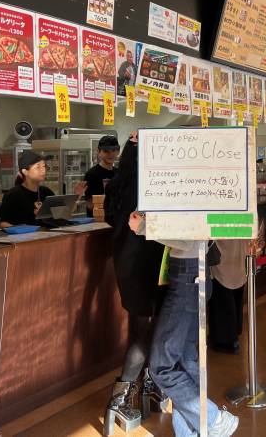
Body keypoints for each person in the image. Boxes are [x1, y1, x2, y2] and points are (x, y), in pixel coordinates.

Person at [128, 211, 239, 437]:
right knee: (185, 361)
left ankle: (213, 419)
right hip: (192, 273)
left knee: (162, 366)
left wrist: (145, 227)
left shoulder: (190, 189)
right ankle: (192, 432)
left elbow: (187, 237)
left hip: (189, 276)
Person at [101, 133, 166, 433]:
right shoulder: (153, 187)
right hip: (150, 265)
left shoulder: (117, 185)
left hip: (126, 265)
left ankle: (146, 388)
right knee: (147, 332)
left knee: (141, 328)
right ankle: (121, 398)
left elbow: (111, 220)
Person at [0, 150, 56, 227]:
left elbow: (60, 214)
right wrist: (19, 229)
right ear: (25, 172)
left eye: (44, 166)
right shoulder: (13, 194)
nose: (43, 170)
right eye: (38, 167)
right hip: (24, 234)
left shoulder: (46, 192)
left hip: (46, 233)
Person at [208, 239, 248, 354]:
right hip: (239, 256)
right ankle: (234, 336)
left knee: (222, 301)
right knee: (235, 298)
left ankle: (225, 341)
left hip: (222, 257)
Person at [85, 135, 121, 217]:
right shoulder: (91, 174)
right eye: (106, 151)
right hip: (98, 221)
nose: (110, 154)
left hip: (116, 220)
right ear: (99, 152)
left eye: (113, 150)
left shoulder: (119, 173)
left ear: (118, 152)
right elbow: (89, 204)